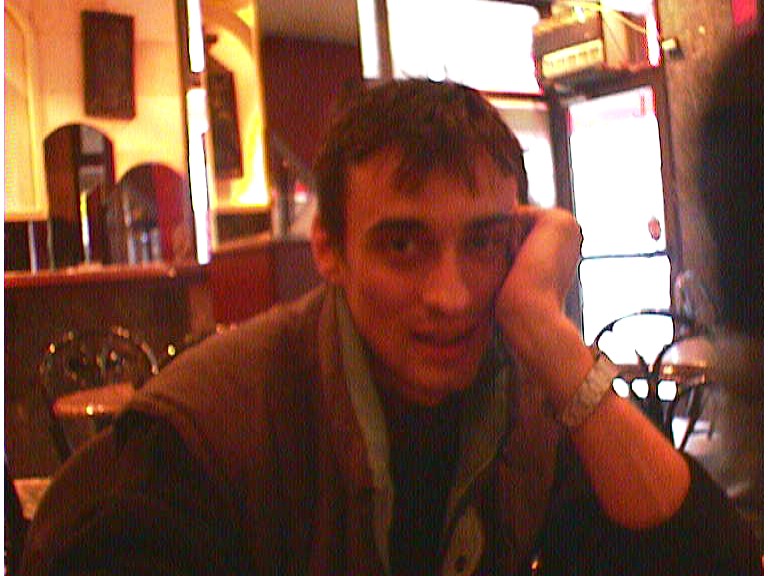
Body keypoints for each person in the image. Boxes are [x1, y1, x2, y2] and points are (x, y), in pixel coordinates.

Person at [21, 79, 759, 574]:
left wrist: (546, 329)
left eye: (483, 241)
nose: (451, 296)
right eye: (403, 244)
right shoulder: (202, 439)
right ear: (329, 250)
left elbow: (709, 560)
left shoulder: (527, 394)